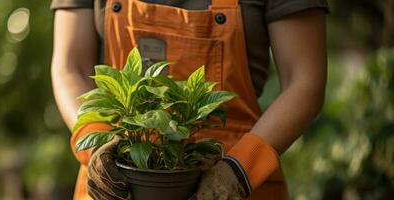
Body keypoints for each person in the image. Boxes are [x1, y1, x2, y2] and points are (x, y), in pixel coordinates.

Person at [50, 0, 328, 199]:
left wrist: (240, 170)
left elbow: (305, 81)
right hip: (116, 182)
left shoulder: (237, 173)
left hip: (235, 176)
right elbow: (69, 67)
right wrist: (97, 144)